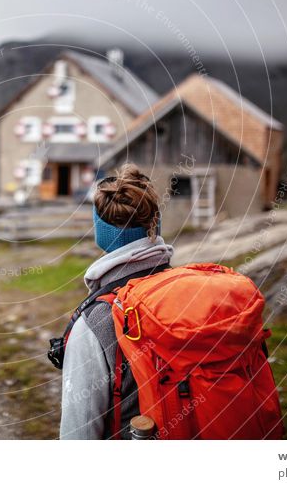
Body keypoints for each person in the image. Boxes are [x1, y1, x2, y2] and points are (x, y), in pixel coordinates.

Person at [60, 163, 173, 439]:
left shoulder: (95, 321)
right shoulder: (190, 293)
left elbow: (78, 434)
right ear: (154, 224)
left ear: (101, 231)